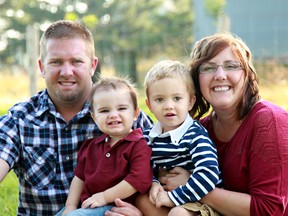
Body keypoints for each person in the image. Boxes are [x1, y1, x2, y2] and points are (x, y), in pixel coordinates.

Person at [105, 32, 288, 216]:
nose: (220, 75)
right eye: (208, 68)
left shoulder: (269, 121)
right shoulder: (199, 127)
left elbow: (270, 210)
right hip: (192, 207)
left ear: (247, 75)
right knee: (143, 202)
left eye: (231, 66)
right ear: (196, 79)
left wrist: (191, 185)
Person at [0, 20, 153, 215]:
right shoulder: (20, 120)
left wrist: (140, 213)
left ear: (92, 65)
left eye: (76, 61)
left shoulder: (126, 117)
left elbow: (157, 179)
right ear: (41, 66)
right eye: (56, 62)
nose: (66, 72)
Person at [135, 60, 221, 216]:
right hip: (168, 195)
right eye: (160, 100)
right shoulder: (148, 137)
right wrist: (154, 184)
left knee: (178, 214)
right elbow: (145, 168)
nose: (169, 106)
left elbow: (208, 174)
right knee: (142, 200)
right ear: (149, 106)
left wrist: (174, 198)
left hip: (199, 199)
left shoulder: (195, 136)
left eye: (176, 98)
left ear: (190, 102)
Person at [59, 76, 153, 216]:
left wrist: (104, 197)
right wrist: (70, 206)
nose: (113, 115)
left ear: (135, 113)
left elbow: (137, 180)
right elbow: (79, 178)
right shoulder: (91, 146)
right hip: (89, 205)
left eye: (121, 108)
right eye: (104, 111)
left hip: (116, 207)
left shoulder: (139, 144)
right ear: (94, 117)